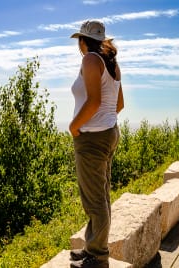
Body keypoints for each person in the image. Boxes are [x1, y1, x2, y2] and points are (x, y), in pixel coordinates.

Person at [68, 20, 124, 268]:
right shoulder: (112, 64)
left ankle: (98, 258)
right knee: (100, 196)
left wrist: (73, 126)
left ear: (83, 41)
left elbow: (93, 102)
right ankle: (93, 248)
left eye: (79, 40)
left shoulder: (90, 60)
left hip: (92, 138)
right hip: (109, 133)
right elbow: (118, 104)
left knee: (93, 200)